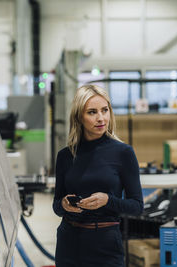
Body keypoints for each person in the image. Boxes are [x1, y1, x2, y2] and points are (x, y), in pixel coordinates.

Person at [52, 84, 143, 267]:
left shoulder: (123, 153)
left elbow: (137, 206)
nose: (101, 118)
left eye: (105, 110)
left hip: (106, 245)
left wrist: (107, 200)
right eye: (92, 112)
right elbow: (56, 205)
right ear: (79, 117)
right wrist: (63, 204)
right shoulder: (65, 156)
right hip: (69, 243)